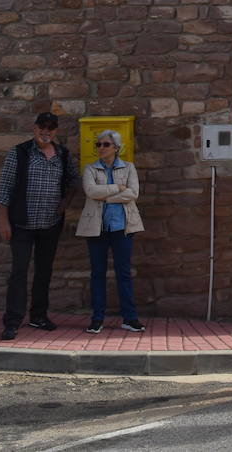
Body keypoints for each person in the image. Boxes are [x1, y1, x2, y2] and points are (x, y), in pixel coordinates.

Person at [0, 112, 79, 340]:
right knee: (19, 272)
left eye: (51, 128)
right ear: (34, 128)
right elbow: (4, 188)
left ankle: (38, 316)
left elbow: (74, 181)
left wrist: (65, 203)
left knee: (44, 272)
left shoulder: (62, 155)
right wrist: (3, 220)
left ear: (56, 131)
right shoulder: (19, 153)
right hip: (22, 223)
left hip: (50, 225)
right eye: (42, 127)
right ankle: (12, 321)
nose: (46, 131)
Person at [75, 130, 144, 333]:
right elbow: (91, 191)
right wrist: (117, 188)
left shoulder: (129, 168)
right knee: (97, 274)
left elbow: (133, 193)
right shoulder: (90, 169)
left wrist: (106, 195)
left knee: (124, 273)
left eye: (105, 144)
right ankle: (97, 318)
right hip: (97, 228)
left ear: (116, 147)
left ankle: (129, 318)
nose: (100, 148)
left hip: (122, 227)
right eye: (98, 145)